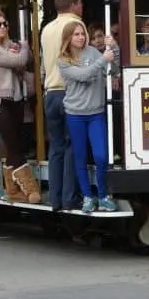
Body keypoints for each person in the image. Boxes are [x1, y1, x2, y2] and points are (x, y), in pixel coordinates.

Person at [0, 10, 40, 204]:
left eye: (5, 23)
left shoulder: (7, 47)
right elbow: (21, 59)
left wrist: (18, 50)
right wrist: (25, 45)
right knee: (13, 143)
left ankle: (12, 191)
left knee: (14, 144)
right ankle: (30, 187)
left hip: (15, 98)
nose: (3, 27)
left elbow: (23, 60)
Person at [58, 21, 119, 213]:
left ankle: (102, 195)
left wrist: (114, 49)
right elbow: (83, 75)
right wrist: (103, 60)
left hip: (96, 113)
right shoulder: (63, 60)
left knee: (101, 156)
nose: (81, 37)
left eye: (82, 33)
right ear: (68, 38)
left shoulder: (93, 52)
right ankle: (87, 196)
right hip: (75, 114)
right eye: (76, 34)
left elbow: (113, 70)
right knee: (80, 156)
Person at [41, 0, 83, 211]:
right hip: (71, 92)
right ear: (74, 4)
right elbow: (82, 60)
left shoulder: (46, 29)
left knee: (56, 147)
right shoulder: (76, 26)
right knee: (73, 145)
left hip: (51, 93)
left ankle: (55, 198)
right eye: (81, 3)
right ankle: (70, 197)